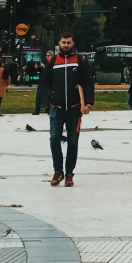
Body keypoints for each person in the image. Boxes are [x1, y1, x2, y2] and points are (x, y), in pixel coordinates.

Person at [42, 34, 94, 186]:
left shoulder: (81, 61)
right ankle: (58, 171)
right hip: (56, 109)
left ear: (73, 43)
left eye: (68, 42)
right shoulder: (52, 61)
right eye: (63, 42)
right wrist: (52, 95)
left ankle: (69, 173)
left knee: (73, 141)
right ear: (59, 43)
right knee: (54, 139)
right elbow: (44, 84)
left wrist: (88, 103)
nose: (66, 45)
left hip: (75, 109)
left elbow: (89, 83)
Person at [34, 51, 54, 116]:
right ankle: (37, 110)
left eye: (49, 55)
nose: (47, 57)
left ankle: (49, 109)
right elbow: (41, 73)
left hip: (48, 83)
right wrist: (39, 68)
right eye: (46, 55)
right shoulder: (46, 63)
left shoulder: (53, 64)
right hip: (42, 82)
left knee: (49, 96)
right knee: (38, 96)